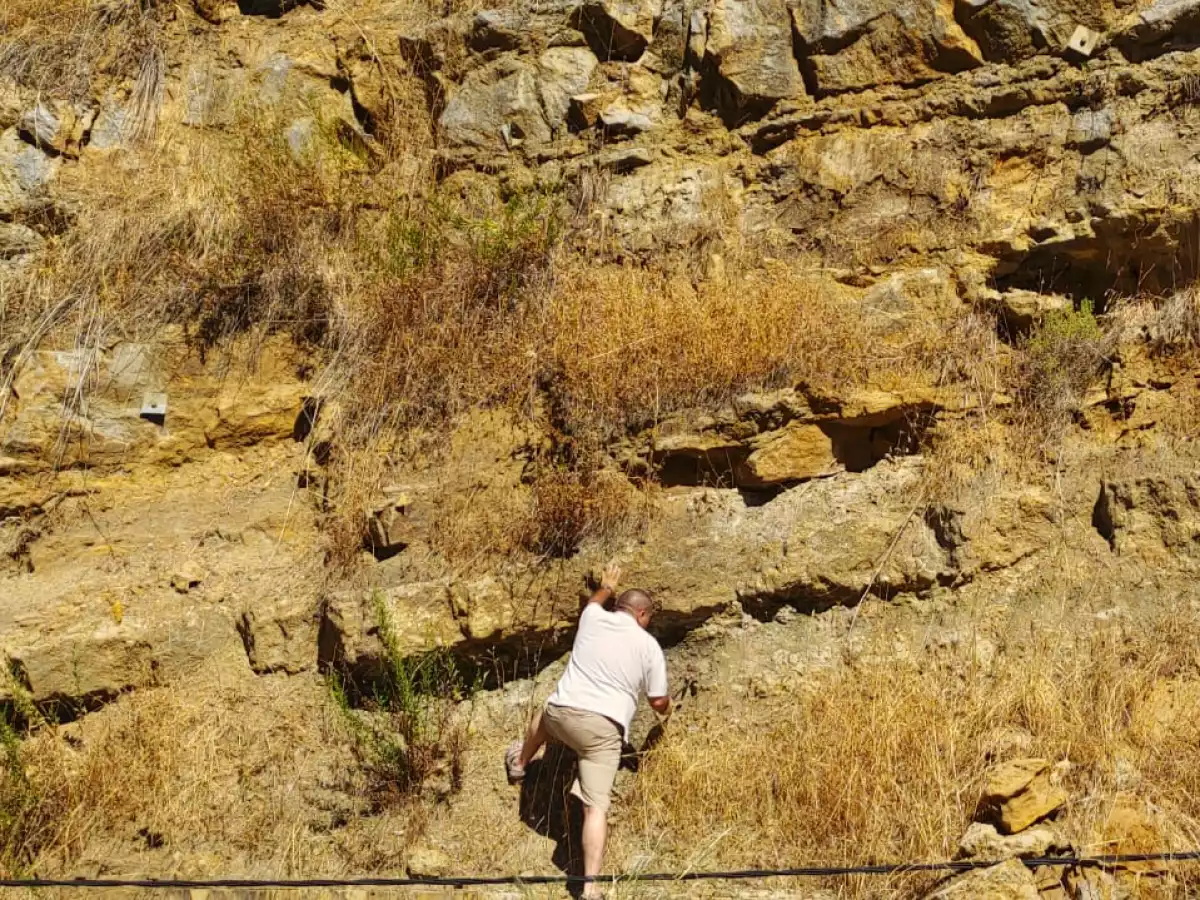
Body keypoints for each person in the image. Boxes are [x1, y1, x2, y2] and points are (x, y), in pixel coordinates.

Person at [505, 562, 670, 899]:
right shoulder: (649, 646)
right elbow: (657, 701)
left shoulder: (592, 618)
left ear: (619, 607)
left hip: (563, 714)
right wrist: (670, 712)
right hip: (602, 732)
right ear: (642, 615)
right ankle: (589, 888)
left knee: (544, 717)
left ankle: (520, 764)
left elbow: (595, 602)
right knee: (595, 807)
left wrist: (608, 585)